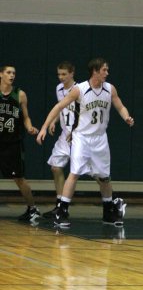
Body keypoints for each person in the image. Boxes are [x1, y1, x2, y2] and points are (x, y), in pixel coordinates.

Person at [36, 57, 134, 228]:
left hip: (100, 138)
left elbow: (120, 106)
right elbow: (59, 107)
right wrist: (45, 126)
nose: (107, 73)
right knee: (74, 173)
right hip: (81, 137)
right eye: (104, 70)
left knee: (104, 177)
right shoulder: (79, 89)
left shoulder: (110, 89)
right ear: (95, 71)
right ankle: (62, 210)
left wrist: (126, 117)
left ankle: (108, 211)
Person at [0, 64, 40, 223]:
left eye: (14, 73)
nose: (12, 75)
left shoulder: (20, 95)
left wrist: (29, 127)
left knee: (19, 178)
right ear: (1, 74)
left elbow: (26, 117)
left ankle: (32, 209)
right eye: (8, 72)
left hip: (12, 143)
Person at [42, 61, 78, 219]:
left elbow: (85, 114)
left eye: (64, 74)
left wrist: (76, 129)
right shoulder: (59, 89)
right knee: (56, 167)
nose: (61, 77)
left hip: (80, 136)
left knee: (97, 174)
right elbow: (61, 107)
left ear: (72, 73)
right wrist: (53, 121)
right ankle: (60, 205)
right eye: (59, 74)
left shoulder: (79, 90)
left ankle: (111, 203)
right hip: (65, 135)